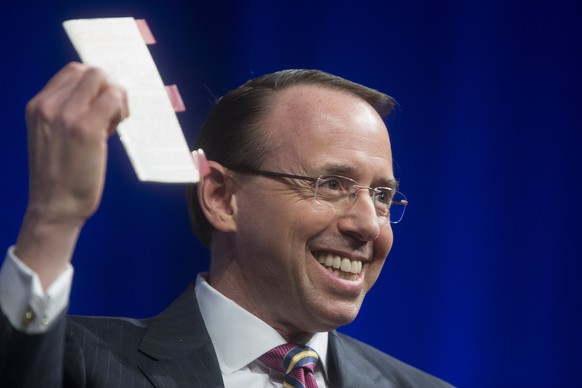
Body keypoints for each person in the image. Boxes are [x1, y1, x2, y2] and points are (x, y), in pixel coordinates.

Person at [0, 63, 452, 387]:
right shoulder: (78, 361)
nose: (369, 225)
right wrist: (52, 220)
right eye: (332, 184)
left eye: (382, 196)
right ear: (221, 197)